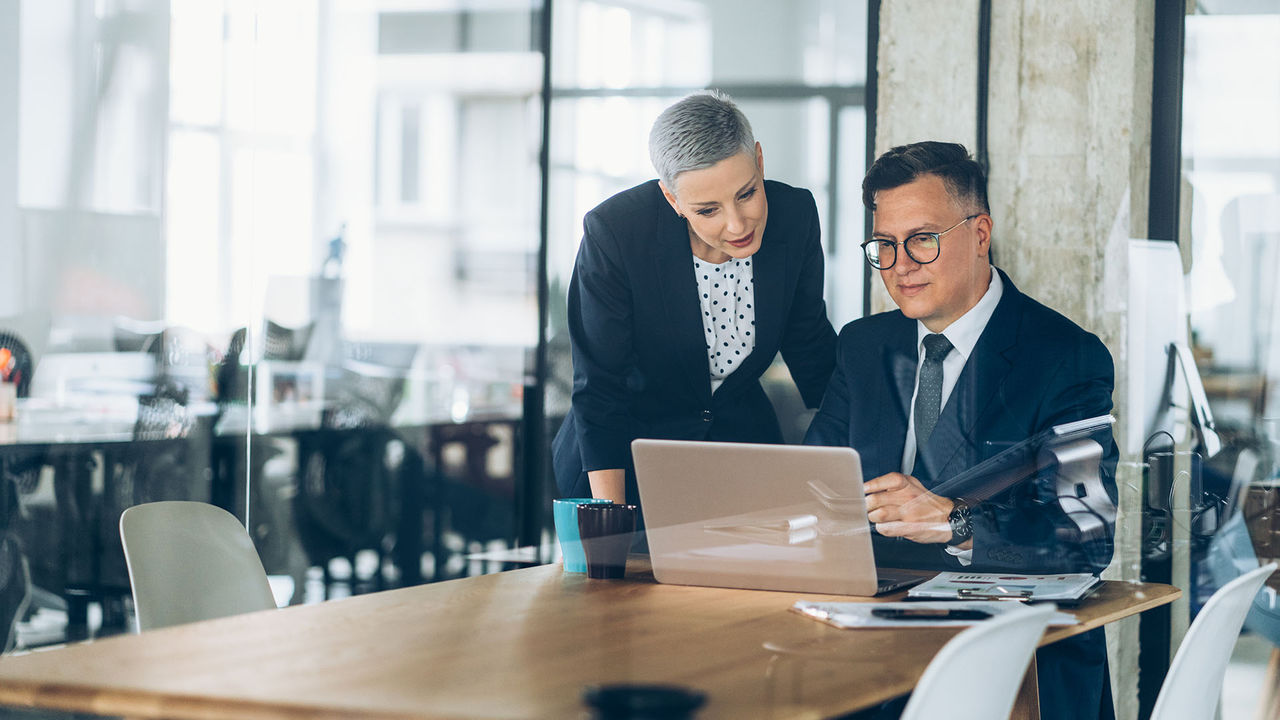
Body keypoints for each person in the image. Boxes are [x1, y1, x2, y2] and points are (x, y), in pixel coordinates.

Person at [804, 141, 1118, 720]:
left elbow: (1087, 536)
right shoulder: (862, 346)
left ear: (979, 234)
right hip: (871, 653)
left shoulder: (1066, 357)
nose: (900, 265)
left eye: (923, 240)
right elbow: (811, 487)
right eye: (885, 245)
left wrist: (954, 521)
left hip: (1012, 662)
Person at [552, 90, 837, 514]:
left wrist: (861, 469)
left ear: (759, 160)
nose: (737, 224)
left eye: (747, 194)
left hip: (738, 454)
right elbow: (599, 389)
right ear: (673, 200)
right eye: (708, 210)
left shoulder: (794, 216)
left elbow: (810, 344)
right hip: (624, 463)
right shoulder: (616, 233)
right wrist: (608, 526)